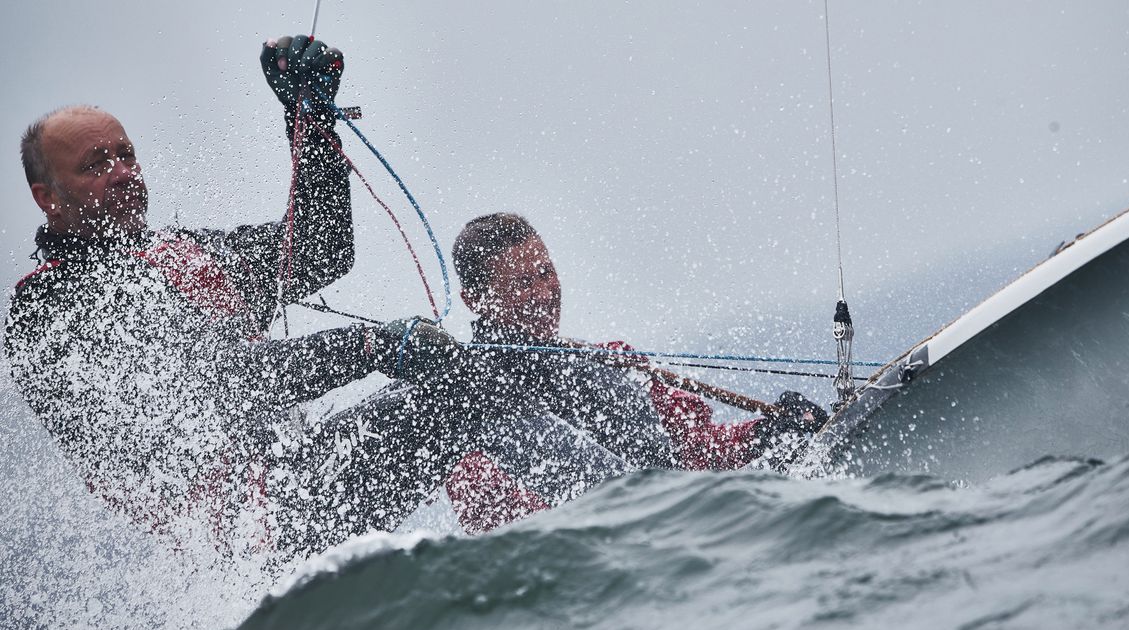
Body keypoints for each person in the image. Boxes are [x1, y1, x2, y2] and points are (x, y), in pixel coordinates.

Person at [4, 35, 485, 557]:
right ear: (46, 197)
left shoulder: (176, 253)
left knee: (471, 375)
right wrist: (372, 347)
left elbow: (318, 251)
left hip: (296, 479)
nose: (123, 173)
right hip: (248, 533)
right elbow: (226, 382)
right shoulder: (48, 308)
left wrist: (309, 123)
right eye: (95, 165)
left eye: (126, 155)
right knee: (462, 387)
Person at [443, 213, 828, 533]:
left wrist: (769, 431)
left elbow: (696, 449)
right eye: (523, 283)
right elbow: (519, 539)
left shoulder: (613, 361)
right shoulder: (466, 416)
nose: (544, 293)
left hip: (683, 534)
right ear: (475, 300)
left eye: (546, 273)